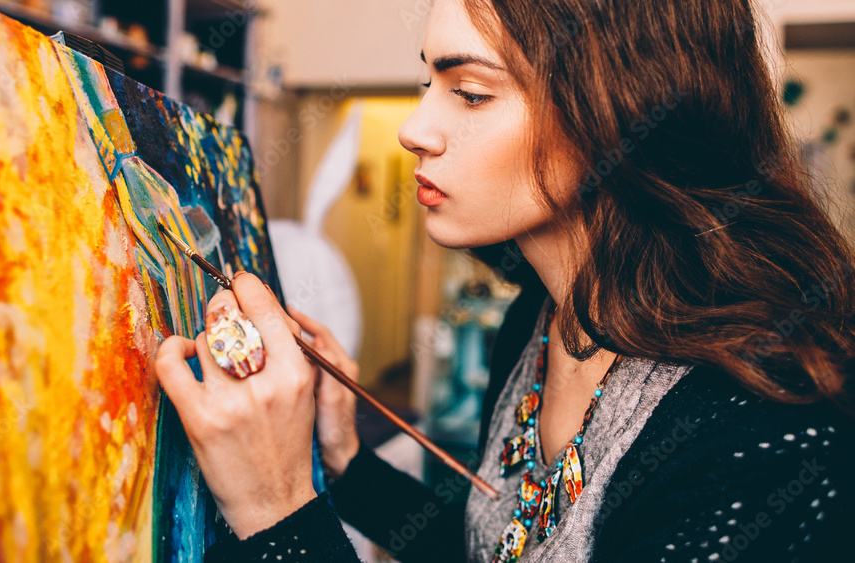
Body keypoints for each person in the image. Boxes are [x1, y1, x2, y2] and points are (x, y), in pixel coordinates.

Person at [153, 0, 855, 561]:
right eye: (430, 82)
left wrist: (275, 509)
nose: (416, 127)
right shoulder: (538, 320)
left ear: (620, 109)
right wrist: (346, 459)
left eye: (472, 92)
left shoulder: (764, 422)